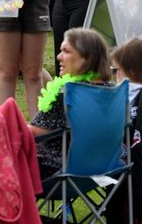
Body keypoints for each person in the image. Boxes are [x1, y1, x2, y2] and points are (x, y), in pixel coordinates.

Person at [28, 28, 115, 179]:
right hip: (106, 166)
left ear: (87, 58)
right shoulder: (112, 91)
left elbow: (34, 132)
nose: (58, 56)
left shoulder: (68, 94)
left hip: (60, 169)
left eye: (66, 51)